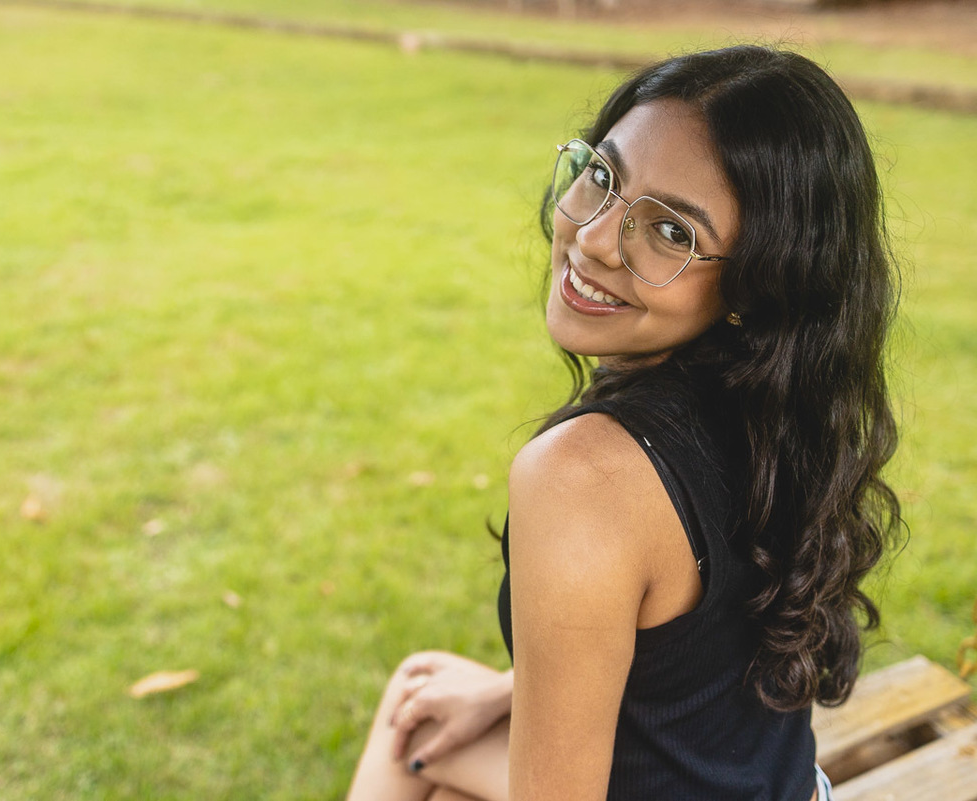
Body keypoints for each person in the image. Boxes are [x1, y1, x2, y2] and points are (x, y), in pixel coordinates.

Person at [345, 45, 902, 801]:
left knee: (416, 742)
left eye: (672, 232)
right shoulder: (783, 410)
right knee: (426, 704)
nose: (595, 237)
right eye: (603, 177)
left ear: (758, 281)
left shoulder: (582, 477)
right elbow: (696, 648)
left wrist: (451, 761)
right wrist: (511, 691)